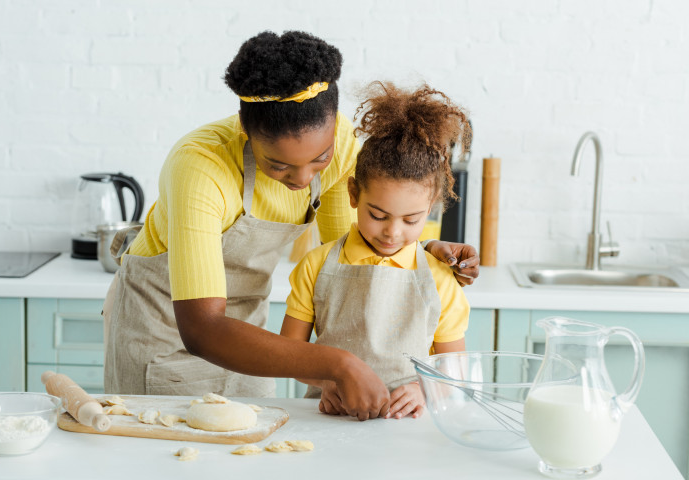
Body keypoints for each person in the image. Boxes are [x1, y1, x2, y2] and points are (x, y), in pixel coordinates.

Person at [102, 30, 478, 421]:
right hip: (167, 333)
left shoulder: (345, 144)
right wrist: (334, 365)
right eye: (278, 165)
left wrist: (418, 251)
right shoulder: (200, 167)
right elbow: (201, 328)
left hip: (254, 337)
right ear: (246, 132)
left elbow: (350, 265)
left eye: (320, 158)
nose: (301, 179)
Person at [280, 82, 470, 420]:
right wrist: (326, 380)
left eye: (411, 219)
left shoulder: (440, 278)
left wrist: (425, 389)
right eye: (377, 215)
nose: (392, 232)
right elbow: (289, 354)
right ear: (354, 194)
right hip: (329, 418)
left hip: (408, 424)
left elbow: (455, 370)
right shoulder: (316, 265)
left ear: (431, 209)